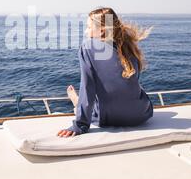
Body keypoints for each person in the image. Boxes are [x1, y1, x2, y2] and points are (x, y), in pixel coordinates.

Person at [57, 7, 154, 137]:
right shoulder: (128, 46)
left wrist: (80, 125)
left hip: (108, 118)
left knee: (89, 98)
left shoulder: (88, 46)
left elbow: (88, 87)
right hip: (141, 114)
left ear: (102, 30)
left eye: (89, 27)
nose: (86, 31)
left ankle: (76, 101)